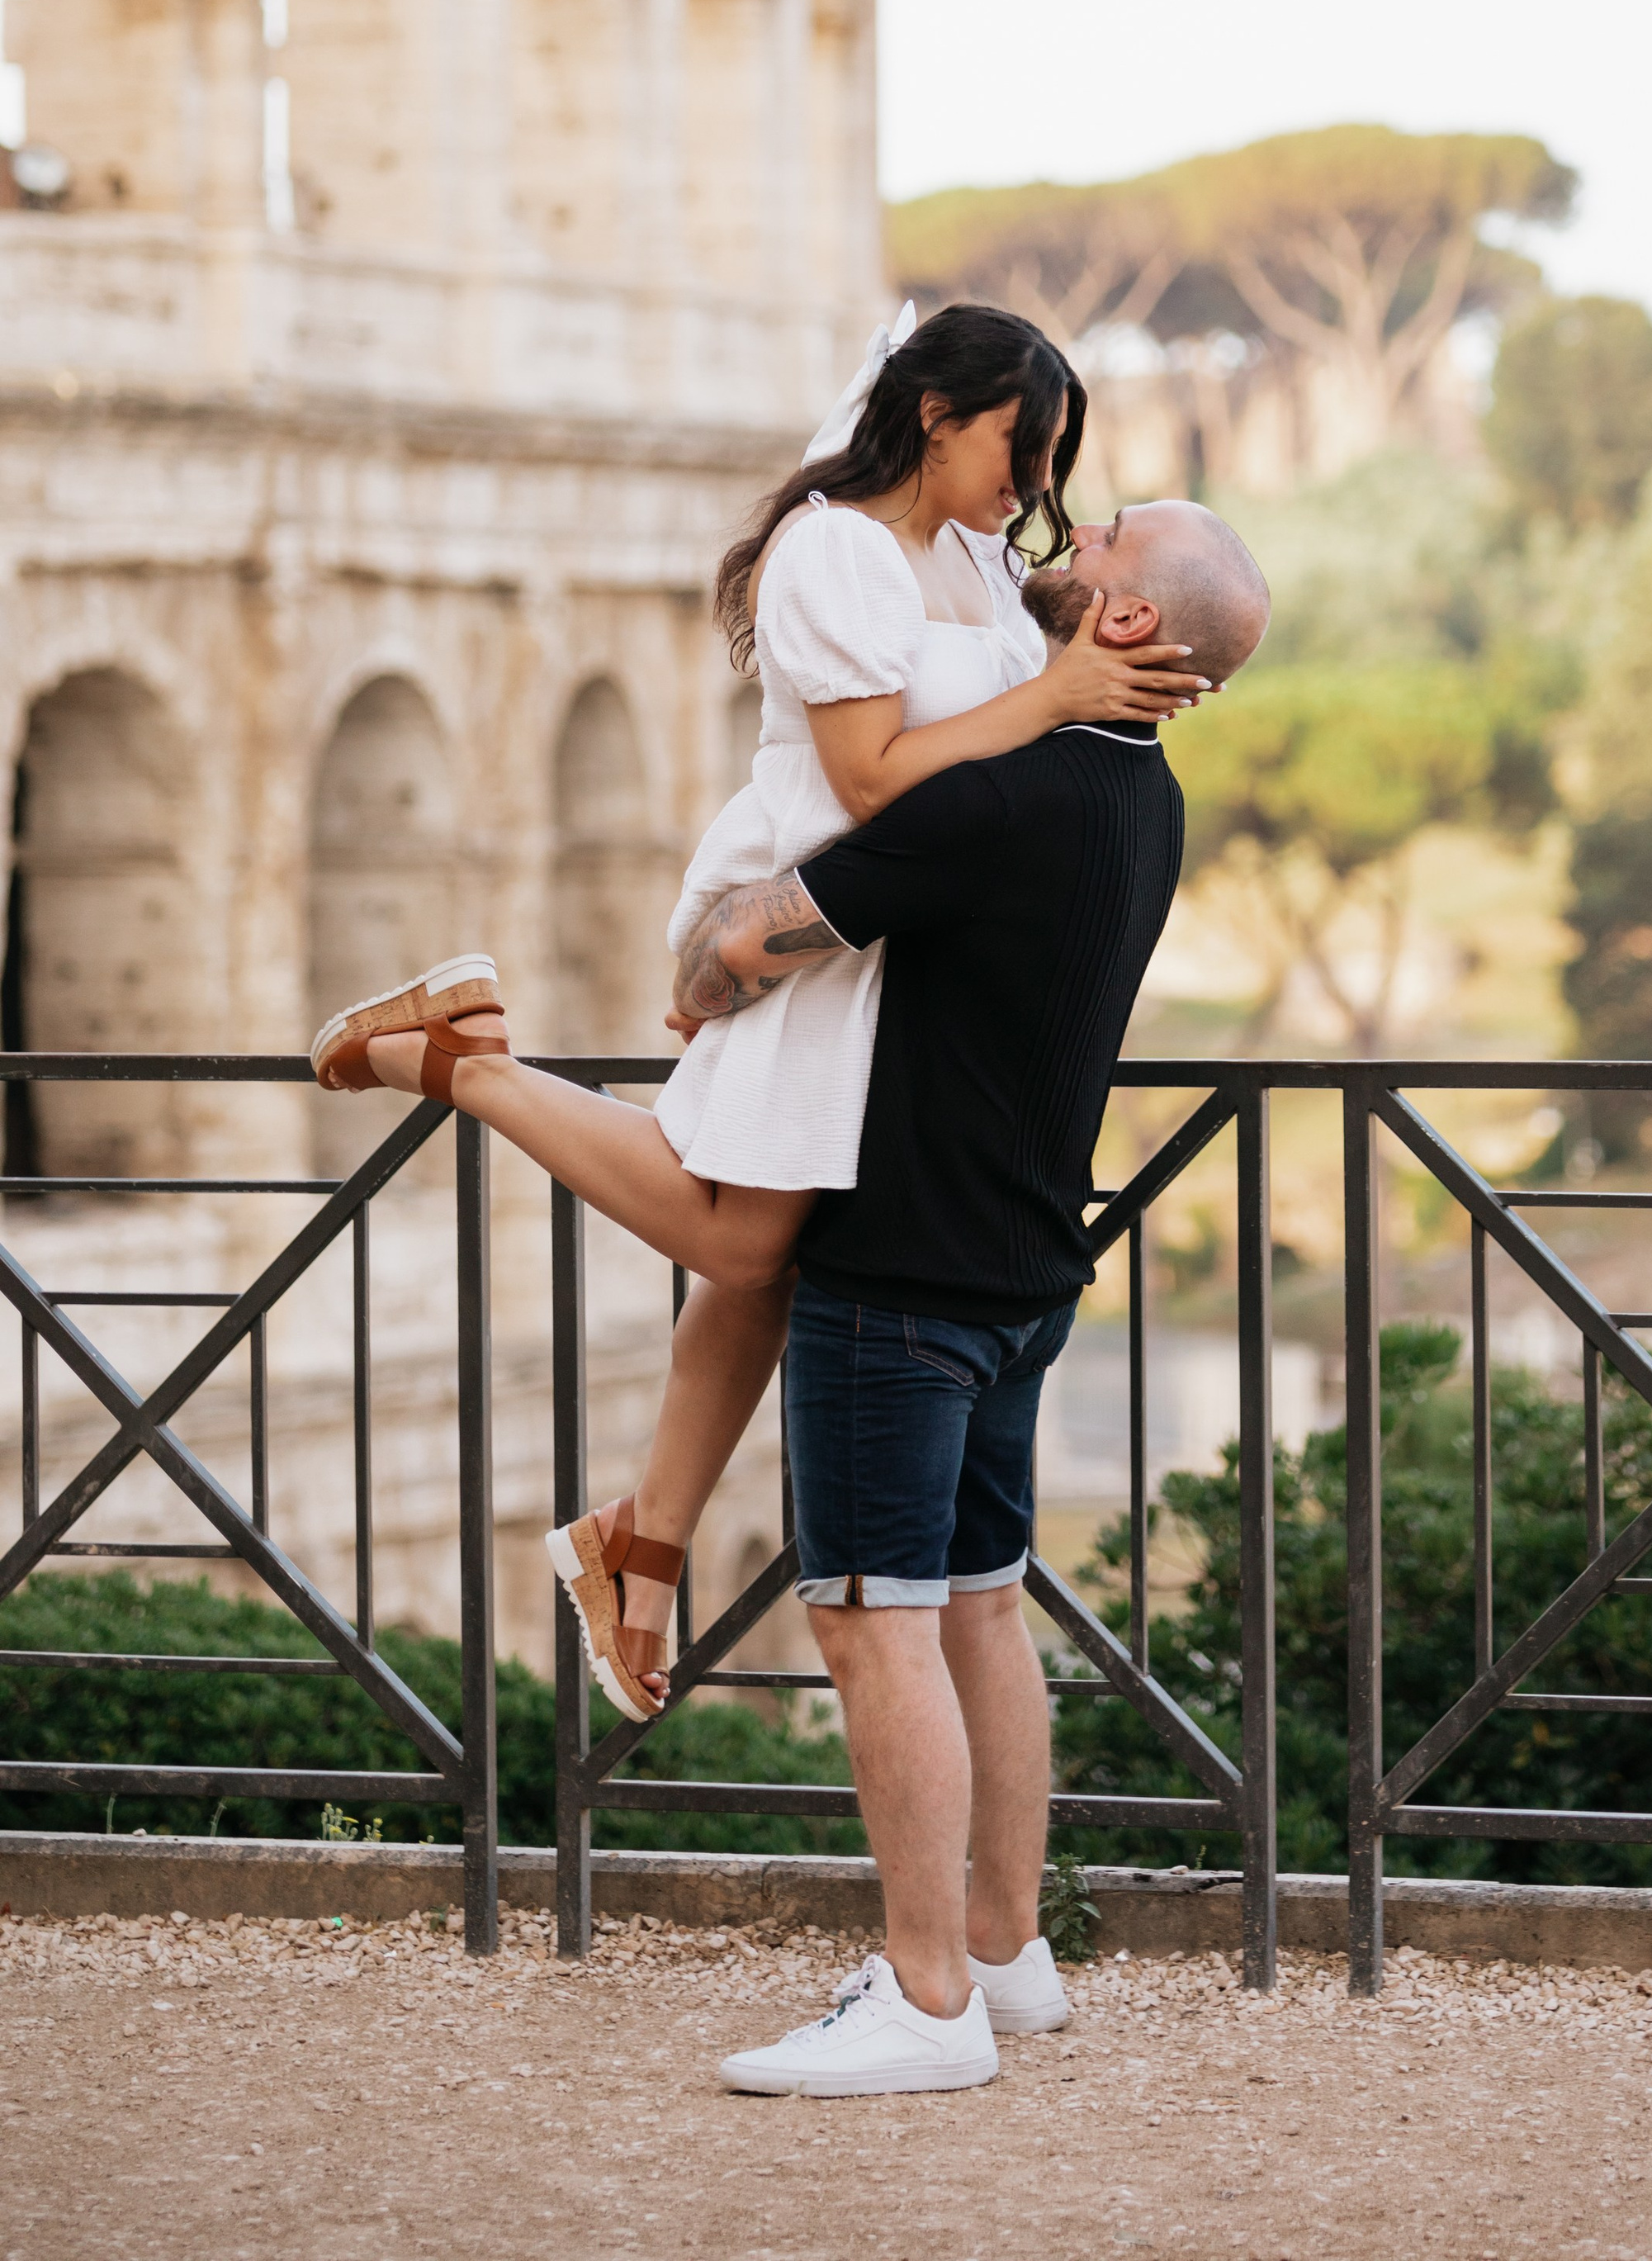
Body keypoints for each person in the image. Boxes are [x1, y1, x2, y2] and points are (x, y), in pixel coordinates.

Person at [310, 304, 1205, 1723]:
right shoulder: (832, 551)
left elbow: (1088, 642)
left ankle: (640, 1545)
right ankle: (465, 1067)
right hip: (816, 909)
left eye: (1051, 465)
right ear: (934, 417)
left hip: (890, 952)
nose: (1034, 489)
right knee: (744, 1232)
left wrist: (1121, 668)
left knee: (780, 1262)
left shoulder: (969, 549)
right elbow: (867, 781)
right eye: (1017, 449)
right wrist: (1052, 701)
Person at [692, 495, 1272, 2095]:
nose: (1064, 537)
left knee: (867, 1623)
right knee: (977, 1607)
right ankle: (1007, 1958)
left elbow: (748, 941)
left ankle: (928, 2005)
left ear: (1130, 625)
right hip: (1024, 1267)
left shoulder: (992, 795)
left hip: (897, 1276)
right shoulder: (1137, 794)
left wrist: (706, 958)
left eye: (1100, 543)